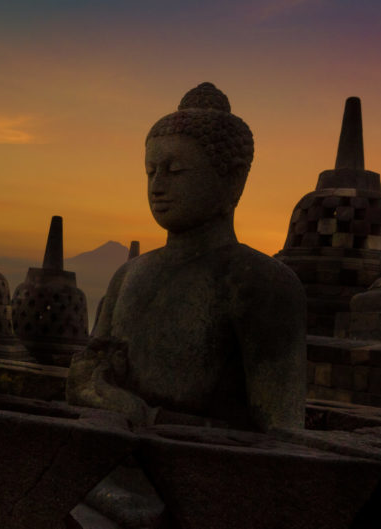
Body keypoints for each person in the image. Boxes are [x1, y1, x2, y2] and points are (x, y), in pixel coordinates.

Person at [67, 82, 307, 432]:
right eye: (150, 171)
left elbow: (280, 434)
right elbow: (86, 380)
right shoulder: (127, 275)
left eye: (176, 171)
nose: (157, 186)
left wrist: (141, 416)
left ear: (233, 179)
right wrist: (101, 392)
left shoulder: (261, 283)